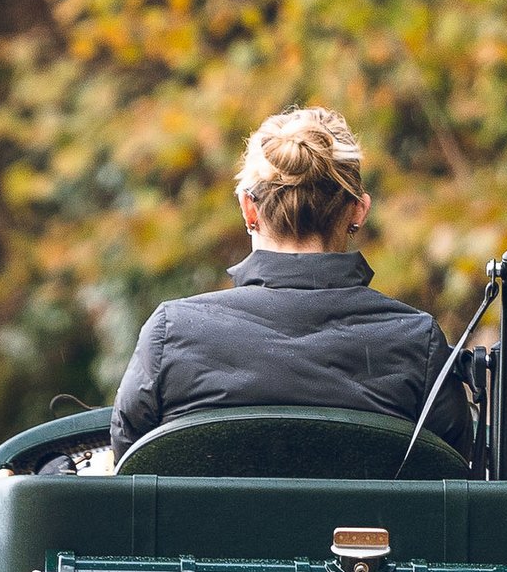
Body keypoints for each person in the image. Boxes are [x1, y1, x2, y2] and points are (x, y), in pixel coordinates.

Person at [108, 106, 474, 462]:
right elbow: (455, 479)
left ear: (249, 209)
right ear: (359, 211)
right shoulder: (415, 342)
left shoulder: (173, 333)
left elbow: (131, 467)